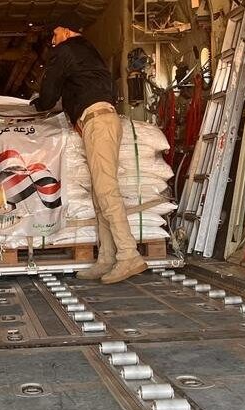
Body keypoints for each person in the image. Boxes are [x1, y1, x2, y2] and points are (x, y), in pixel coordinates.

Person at [31, 11, 149, 284]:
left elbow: (49, 93)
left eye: (54, 33)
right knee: (99, 194)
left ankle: (129, 255)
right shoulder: (88, 51)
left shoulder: (66, 50)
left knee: (106, 191)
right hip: (102, 121)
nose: (52, 40)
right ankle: (107, 257)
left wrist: (38, 104)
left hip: (98, 123)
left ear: (66, 30)